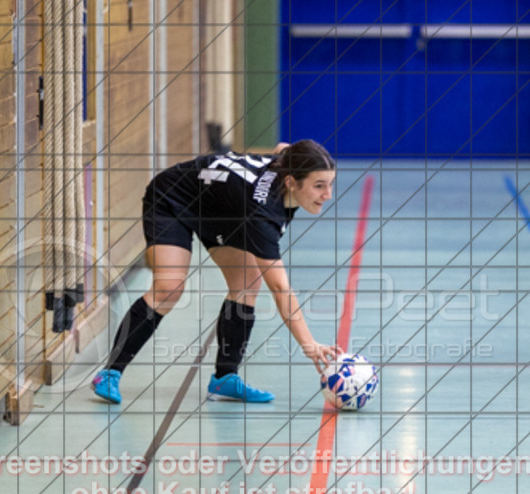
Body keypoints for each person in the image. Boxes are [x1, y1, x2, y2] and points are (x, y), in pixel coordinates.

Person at [91, 140, 342, 403]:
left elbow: (282, 148)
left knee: (247, 283)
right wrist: (310, 345)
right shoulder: (263, 213)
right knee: (169, 289)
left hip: (221, 209)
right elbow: (280, 289)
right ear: (291, 182)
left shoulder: (285, 166)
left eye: (330, 184)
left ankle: (225, 378)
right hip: (174, 197)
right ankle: (110, 373)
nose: (328, 195)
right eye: (318, 186)